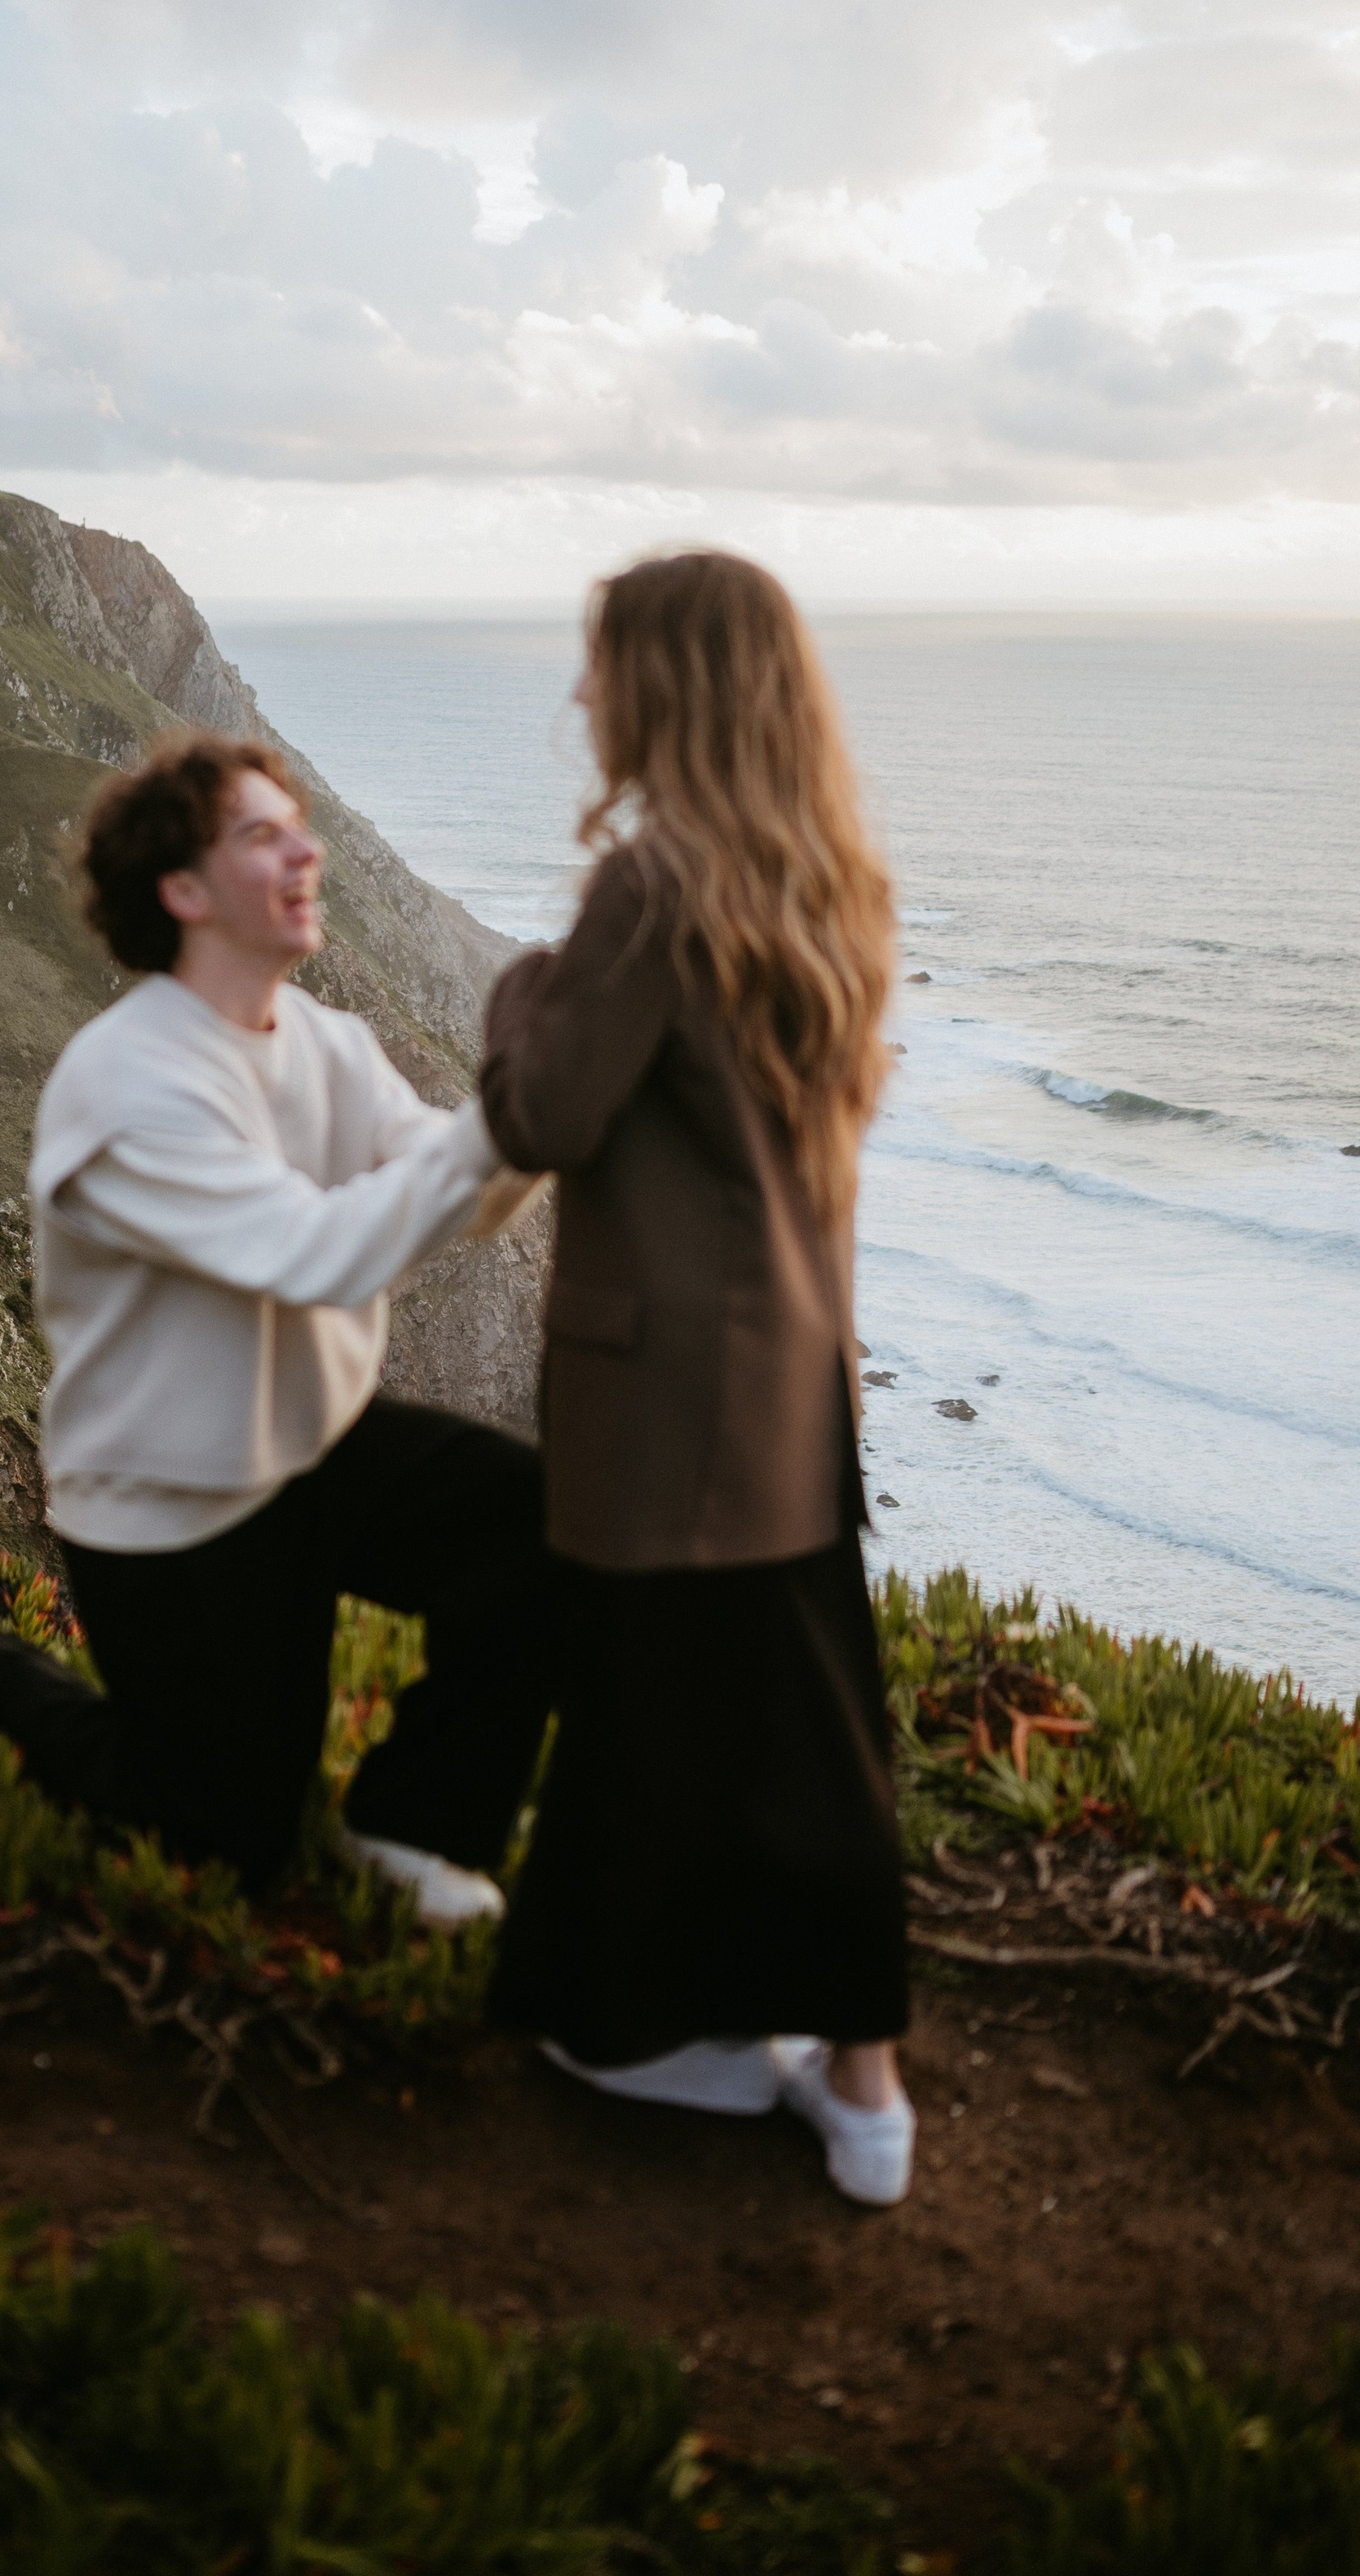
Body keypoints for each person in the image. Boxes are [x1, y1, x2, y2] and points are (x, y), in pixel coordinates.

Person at [0, 729, 553, 1925]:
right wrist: (505, 1118)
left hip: (314, 1448)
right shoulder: (128, 1085)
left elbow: (457, 1188)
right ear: (182, 890)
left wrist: (535, 1120)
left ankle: (415, 1824)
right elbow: (309, 1256)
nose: (305, 851)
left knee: (536, 1527)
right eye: (263, 835)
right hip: (170, 1502)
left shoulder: (326, 1041)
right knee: (226, 1841)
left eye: (299, 827)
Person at [479, 551, 914, 2208]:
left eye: (600, 666)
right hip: (792, 1368)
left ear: (668, 686)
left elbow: (542, 1111)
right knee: (794, 1700)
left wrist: (518, 980)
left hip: (665, 1396)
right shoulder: (824, 877)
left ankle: (842, 2074)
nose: (579, 697)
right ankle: (823, 2061)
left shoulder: (652, 886)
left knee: (697, 1718)